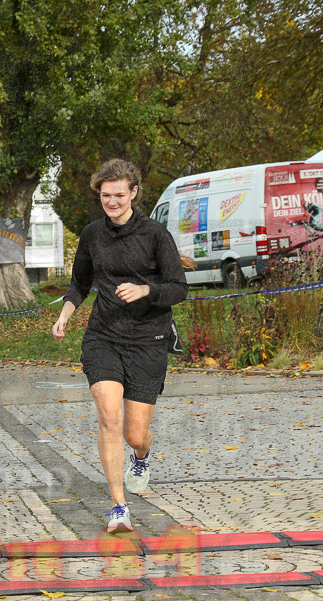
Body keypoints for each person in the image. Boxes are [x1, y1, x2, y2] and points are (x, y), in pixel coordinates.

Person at [52, 159, 188, 533]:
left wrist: (146, 289)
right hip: (104, 337)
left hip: (149, 340)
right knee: (109, 417)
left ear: (134, 193)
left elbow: (179, 288)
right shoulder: (93, 234)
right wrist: (66, 314)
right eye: (105, 195)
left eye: (118, 195)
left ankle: (141, 456)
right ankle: (118, 507)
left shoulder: (156, 235)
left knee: (134, 433)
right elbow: (79, 285)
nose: (111, 202)